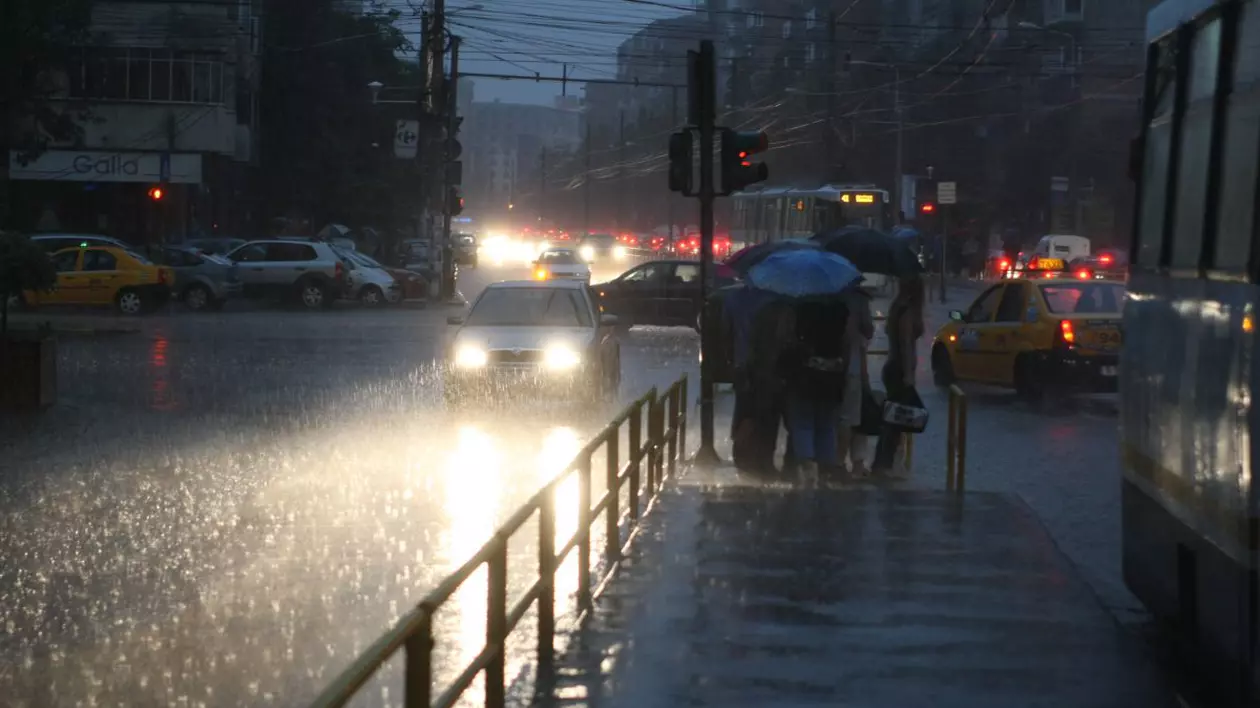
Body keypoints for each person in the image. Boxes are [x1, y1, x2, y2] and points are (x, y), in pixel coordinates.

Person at [781, 299, 851, 479]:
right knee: (826, 424)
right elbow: (846, 343)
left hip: (806, 375)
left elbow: (791, 340)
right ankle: (825, 468)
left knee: (803, 421)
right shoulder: (840, 309)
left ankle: (807, 466)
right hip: (832, 376)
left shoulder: (801, 308)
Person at [724, 284, 780, 475]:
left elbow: (726, 330)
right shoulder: (775, 300)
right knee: (769, 414)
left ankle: (741, 455)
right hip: (769, 367)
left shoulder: (733, 297)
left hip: (742, 364)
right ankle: (765, 458)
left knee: (744, 410)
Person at [872, 275, 926, 475]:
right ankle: (883, 464)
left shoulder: (897, 307)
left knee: (894, 419)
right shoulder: (907, 311)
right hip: (899, 370)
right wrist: (908, 375)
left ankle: (885, 462)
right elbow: (905, 344)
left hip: (894, 367)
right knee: (895, 421)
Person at [837, 286, 875, 477]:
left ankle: (842, 462)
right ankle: (844, 464)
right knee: (851, 417)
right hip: (852, 367)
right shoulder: (858, 298)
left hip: (827, 368)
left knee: (840, 417)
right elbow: (868, 330)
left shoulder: (823, 294)